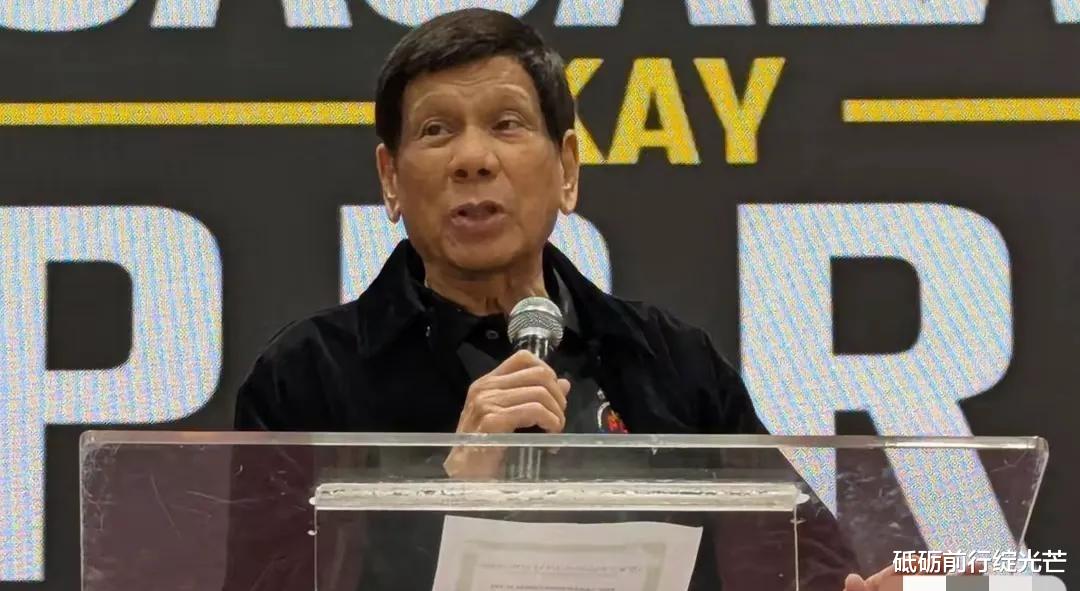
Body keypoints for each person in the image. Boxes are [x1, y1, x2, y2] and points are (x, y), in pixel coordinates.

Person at [232, 8, 890, 591]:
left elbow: (805, 560)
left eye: (507, 123)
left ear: (567, 169)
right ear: (390, 180)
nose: (472, 158)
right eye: (435, 130)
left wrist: (873, 586)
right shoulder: (307, 378)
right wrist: (444, 491)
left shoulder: (671, 364)